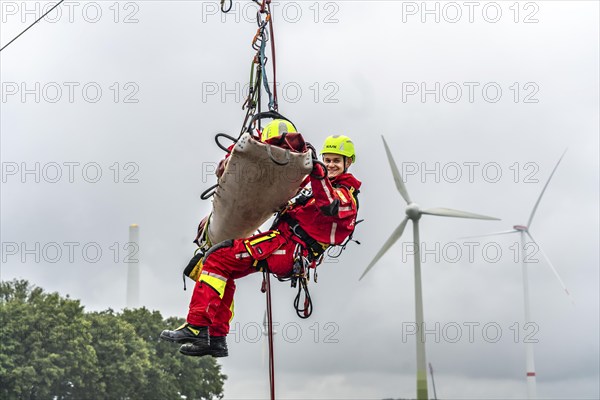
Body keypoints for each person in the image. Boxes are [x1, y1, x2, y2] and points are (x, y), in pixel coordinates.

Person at [160, 134, 362, 358]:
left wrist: (318, 172)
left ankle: (197, 326)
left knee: (218, 258)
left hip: (288, 249)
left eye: (337, 161)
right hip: (280, 243)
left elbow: (330, 206)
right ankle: (216, 339)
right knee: (222, 267)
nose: (331, 165)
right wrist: (245, 149)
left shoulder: (345, 197)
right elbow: (282, 173)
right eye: (328, 159)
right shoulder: (318, 185)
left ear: (348, 163)